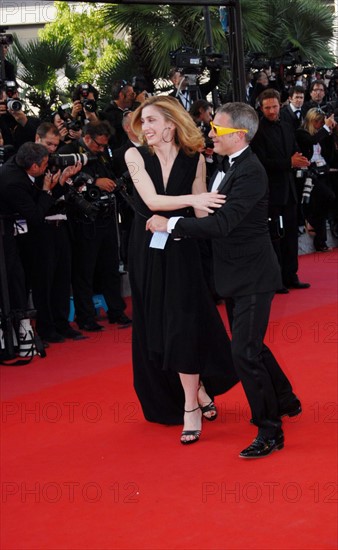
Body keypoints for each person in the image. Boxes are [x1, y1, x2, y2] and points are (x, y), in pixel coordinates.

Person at [147, 102, 302, 459]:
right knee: (253, 345)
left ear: (240, 136)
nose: (211, 133)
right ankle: (286, 399)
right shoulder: (226, 164)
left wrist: (169, 224)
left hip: (254, 274)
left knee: (244, 352)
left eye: (218, 129)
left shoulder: (251, 172)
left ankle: (270, 430)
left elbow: (221, 224)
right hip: (234, 273)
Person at [125, 95, 238, 443]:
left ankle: (191, 404)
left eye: (153, 121)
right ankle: (198, 389)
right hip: (146, 248)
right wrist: (194, 201)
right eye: (143, 122)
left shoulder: (195, 161)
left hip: (182, 248)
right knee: (157, 322)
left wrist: (226, 222)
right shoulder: (135, 156)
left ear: (171, 124)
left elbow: (203, 213)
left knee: (184, 320)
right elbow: (153, 202)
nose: (146, 128)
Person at [58, 121, 131, 331]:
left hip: (106, 217)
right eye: (98, 145)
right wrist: (94, 182)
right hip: (83, 220)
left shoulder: (103, 153)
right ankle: (86, 316)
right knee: (84, 271)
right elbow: (67, 182)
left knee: (110, 268)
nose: (101, 149)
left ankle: (116, 311)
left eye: (103, 146)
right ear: (87, 138)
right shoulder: (69, 152)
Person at [251, 88, 310, 293]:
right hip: (271, 192)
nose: (272, 111)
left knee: (291, 235)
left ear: (280, 105)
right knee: (275, 236)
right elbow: (261, 162)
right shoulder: (257, 130)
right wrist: (289, 162)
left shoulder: (286, 125)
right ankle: (277, 279)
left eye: (275, 106)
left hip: (289, 190)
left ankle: (291, 275)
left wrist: (299, 160)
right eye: (267, 108)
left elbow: (294, 148)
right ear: (261, 108)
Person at [296, 108, 337, 251]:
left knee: (323, 206)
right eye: (318, 122)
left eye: (321, 122)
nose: (320, 124)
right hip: (309, 175)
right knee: (329, 197)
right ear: (311, 121)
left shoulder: (323, 135)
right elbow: (312, 141)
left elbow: (329, 155)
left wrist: (330, 134)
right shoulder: (302, 133)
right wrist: (325, 129)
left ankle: (321, 241)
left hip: (324, 172)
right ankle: (310, 220)